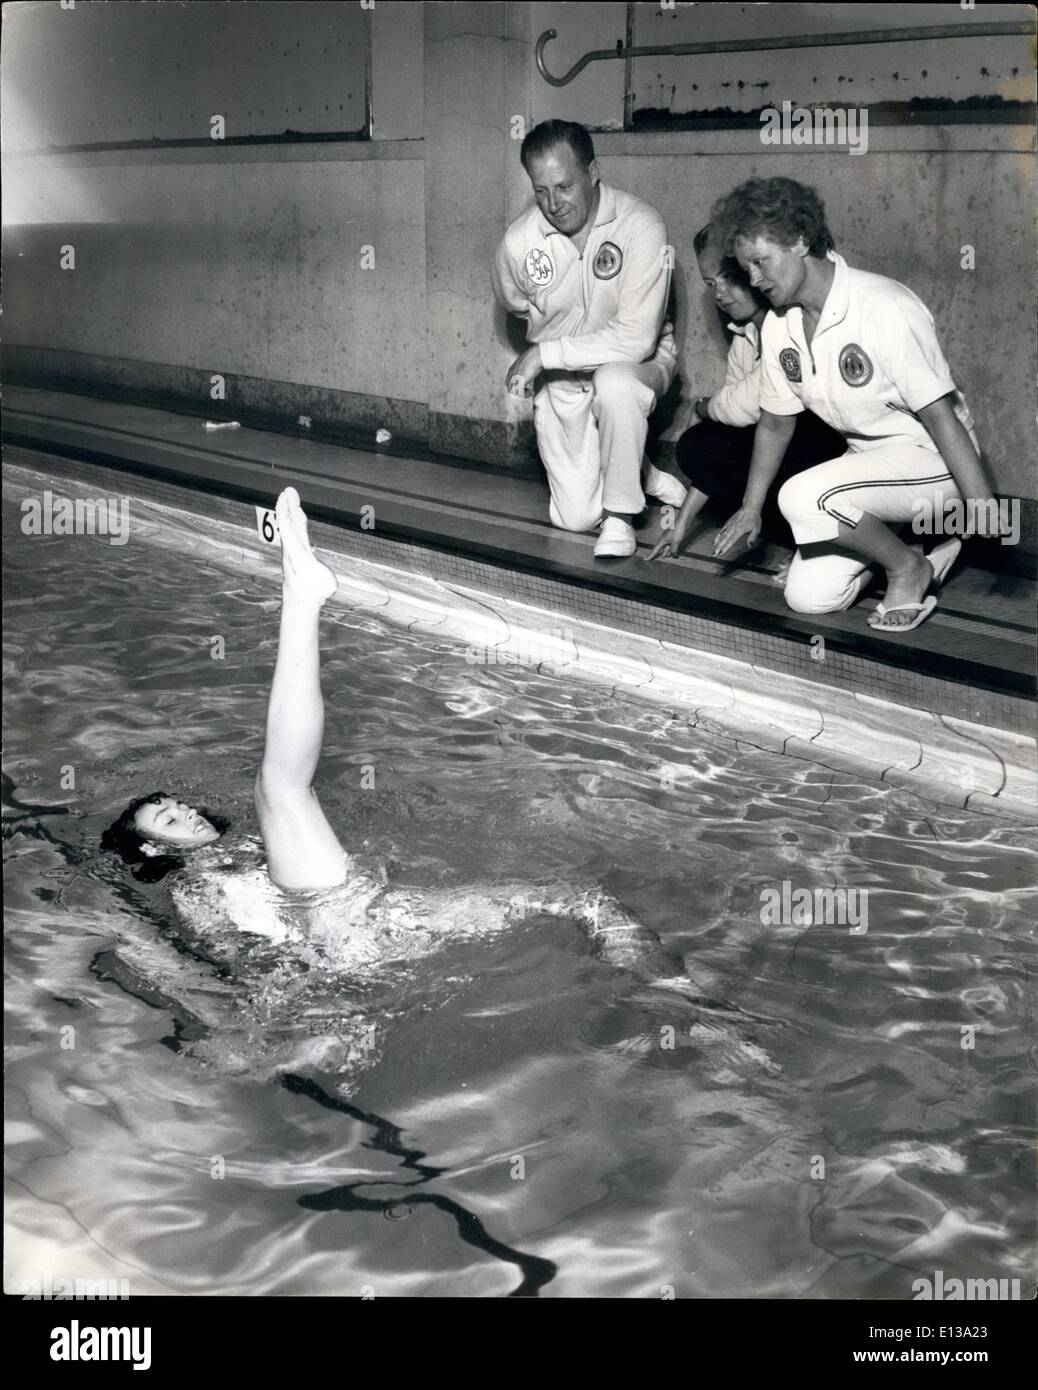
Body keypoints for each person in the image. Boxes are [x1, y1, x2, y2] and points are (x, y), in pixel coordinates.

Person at [102, 489, 687, 986]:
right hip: (334, 937)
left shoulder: (249, 850)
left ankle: (677, 993)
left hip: (385, 915)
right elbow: (240, 961)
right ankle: (299, 597)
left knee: (577, 898)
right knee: (278, 789)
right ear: (153, 851)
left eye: (178, 805)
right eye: (169, 821)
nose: (187, 814)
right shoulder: (195, 890)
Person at [703, 177, 996, 632]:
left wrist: (980, 503)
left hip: (935, 462)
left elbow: (940, 415)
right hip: (869, 466)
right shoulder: (781, 325)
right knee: (809, 598)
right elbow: (776, 424)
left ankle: (907, 568)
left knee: (802, 496)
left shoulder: (884, 306)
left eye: (761, 262)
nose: (755, 280)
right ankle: (913, 550)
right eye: (748, 269)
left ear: (799, 241)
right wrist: (750, 508)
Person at [491, 119, 687, 559]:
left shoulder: (641, 225)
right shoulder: (518, 243)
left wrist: (545, 352)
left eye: (563, 186)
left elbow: (636, 339)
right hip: (562, 379)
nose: (553, 203)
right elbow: (513, 302)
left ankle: (621, 517)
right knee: (574, 519)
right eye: (540, 190)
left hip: (638, 364)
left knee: (616, 384)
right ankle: (637, 468)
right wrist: (554, 346)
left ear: (593, 172)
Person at [646, 222, 845, 565]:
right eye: (711, 284)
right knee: (700, 445)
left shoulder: (789, 322)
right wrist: (679, 527)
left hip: (831, 453)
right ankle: (781, 525)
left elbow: (745, 405)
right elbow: (732, 429)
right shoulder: (742, 337)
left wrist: (704, 405)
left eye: (729, 277)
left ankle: (818, 539)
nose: (720, 294)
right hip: (782, 454)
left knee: (734, 435)